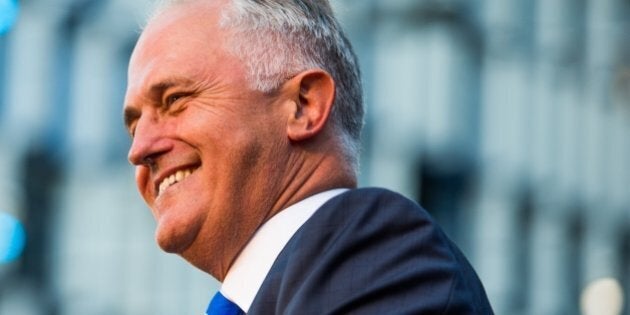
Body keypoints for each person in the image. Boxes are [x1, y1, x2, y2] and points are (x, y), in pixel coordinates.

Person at [123, 0, 494, 314]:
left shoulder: (375, 255)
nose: (139, 150)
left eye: (174, 100)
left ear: (304, 106)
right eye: (134, 126)